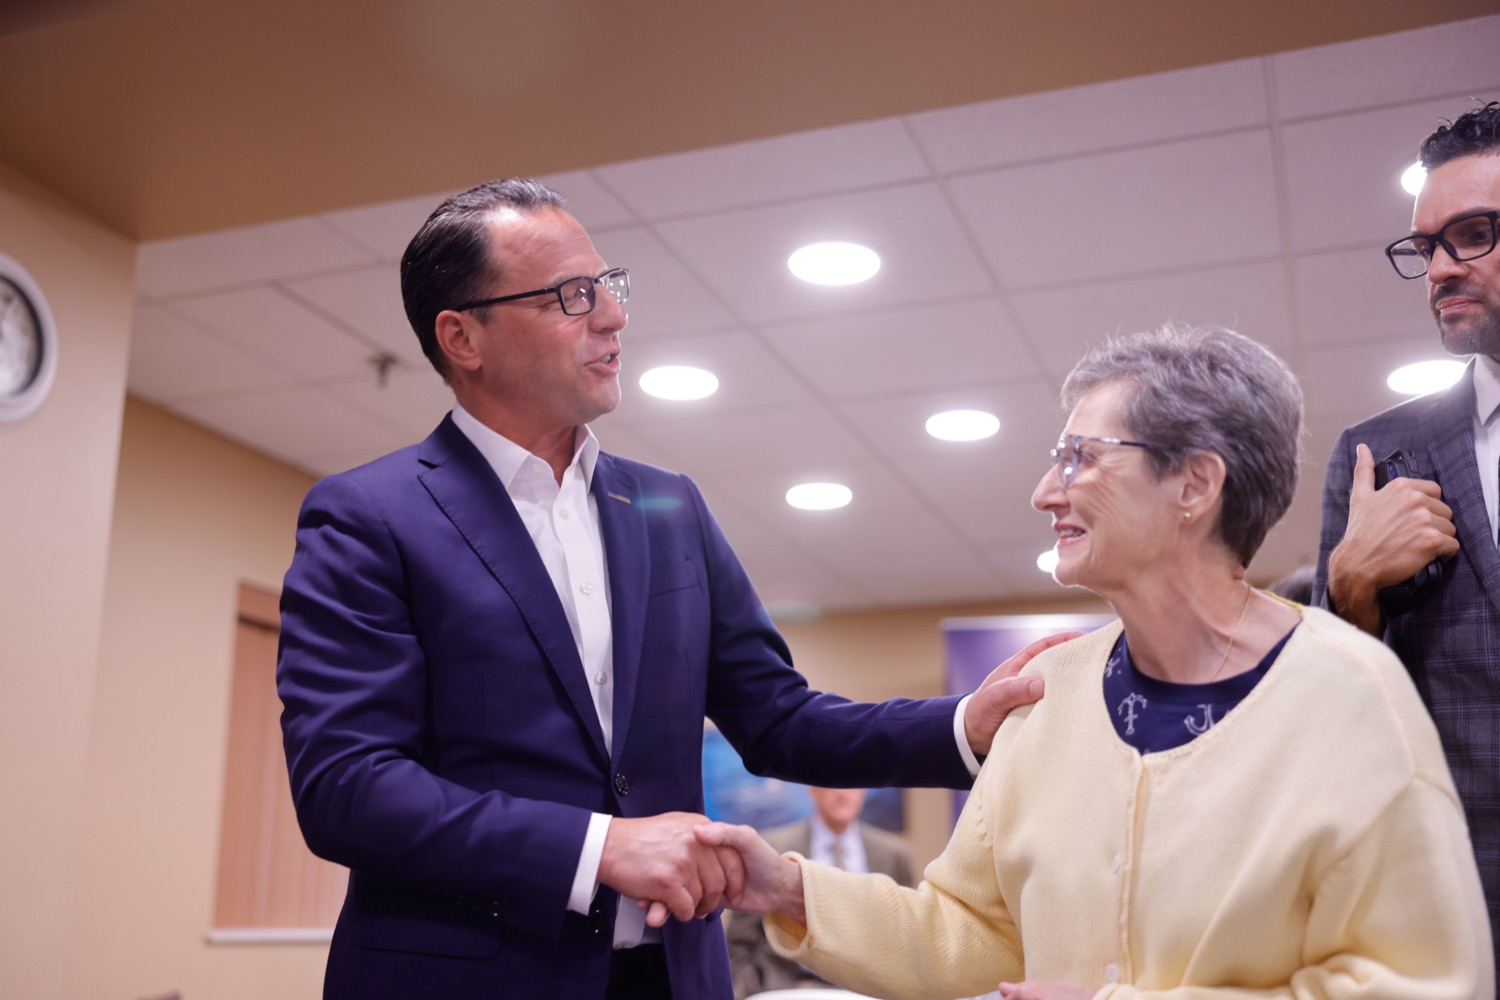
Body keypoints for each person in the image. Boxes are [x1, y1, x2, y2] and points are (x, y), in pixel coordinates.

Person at [274, 178, 1057, 1000]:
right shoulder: (369, 516)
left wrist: (964, 724)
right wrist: (598, 848)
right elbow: (346, 786)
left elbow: (778, 718)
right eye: (571, 296)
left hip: (675, 976)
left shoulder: (668, 507)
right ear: (462, 337)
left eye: (608, 286)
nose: (612, 316)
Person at [699, 326, 1492, 999]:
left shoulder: (1349, 693)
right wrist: (785, 887)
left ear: (1195, 484)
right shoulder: (1049, 696)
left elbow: (1416, 985)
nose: (1046, 491)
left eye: (1080, 457)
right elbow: (966, 930)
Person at [1314, 101, 1500, 958]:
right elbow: (1330, 716)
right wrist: (1351, 589)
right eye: (1426, 247)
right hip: (1461, 905)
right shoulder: (1378, 456)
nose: (1440, 269)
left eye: (1474, 234)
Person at [726, 787, 913, 999]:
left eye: (851, 782)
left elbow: (902, 937)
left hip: (868, 990)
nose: (842, 792)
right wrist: (747, 989)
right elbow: (738, 942)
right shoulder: (773, 847)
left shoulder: (893, 855)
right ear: (812, 790)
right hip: (787, 988)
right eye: (833, 782)